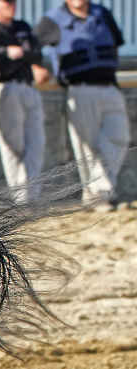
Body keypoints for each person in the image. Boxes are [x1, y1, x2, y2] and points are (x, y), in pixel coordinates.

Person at [36, 0, 130, 212]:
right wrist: (35, 66)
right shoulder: (52, 19)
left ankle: (96, 191)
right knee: (87, 147)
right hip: (80, 90)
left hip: (110, 86)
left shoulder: (102, 13)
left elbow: (116, 42)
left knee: (119, 137)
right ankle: (99, 196)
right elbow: (31, 46)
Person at [0, 0, 50, 202]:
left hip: (28, 86)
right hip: (7, 87)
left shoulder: (22, 27)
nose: (11, 6)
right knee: (14, 145)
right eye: (6, 2)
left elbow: (36, 53)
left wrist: (20, 56)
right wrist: (13, 55)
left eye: (13, 2)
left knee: (36, 143)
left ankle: (31, 195)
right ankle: (21, 198)